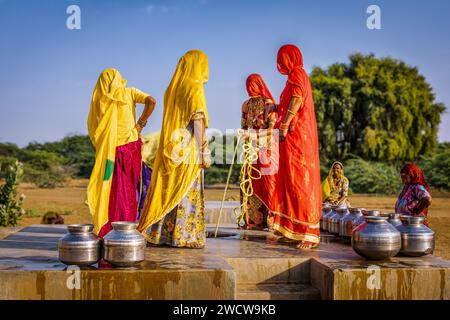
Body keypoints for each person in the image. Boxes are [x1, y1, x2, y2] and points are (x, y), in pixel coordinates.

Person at [137, 50, 211, 249]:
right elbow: (197, 120)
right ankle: (184, 236)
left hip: (170, 149)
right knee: (186, 192)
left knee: (168, 191)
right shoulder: (194, 88)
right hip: (188, 150)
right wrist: (204, 149)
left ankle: (160, 234)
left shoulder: (173, 88)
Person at [87, 68, 156, 238]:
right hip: (131, 148)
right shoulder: (129, 92)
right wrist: (140, 124)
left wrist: (139, 125)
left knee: (109, 186)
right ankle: (126, 228)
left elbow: (96, 129)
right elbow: (151, 101)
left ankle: (110, 228)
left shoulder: (100, 100)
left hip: (111, 154)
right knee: (128, 188)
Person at [269, 44, 322, 249]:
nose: (280, 63)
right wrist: (276, 107)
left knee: (301, 182)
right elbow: (291, 100)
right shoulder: (294, 77)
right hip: (291, 138)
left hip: (298, 136)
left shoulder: (298, 74)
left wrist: (284, 122)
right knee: (289, 181)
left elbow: (297, 99)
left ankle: (308, 233)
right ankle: (291, 230)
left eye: (282, 58)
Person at [240, 73, 277, 230]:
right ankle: (254, 221)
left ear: (260, 85)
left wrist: (255, 135)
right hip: (250, 149)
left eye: (253, 84)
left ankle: (272, 220)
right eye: (248, 84)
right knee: (249, 183)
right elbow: (243, 126)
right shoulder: (245, 105)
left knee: (268, 183)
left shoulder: (269, 104)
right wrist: (243, 135)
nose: (249, 87)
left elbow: (273, 129)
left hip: (266, 148)